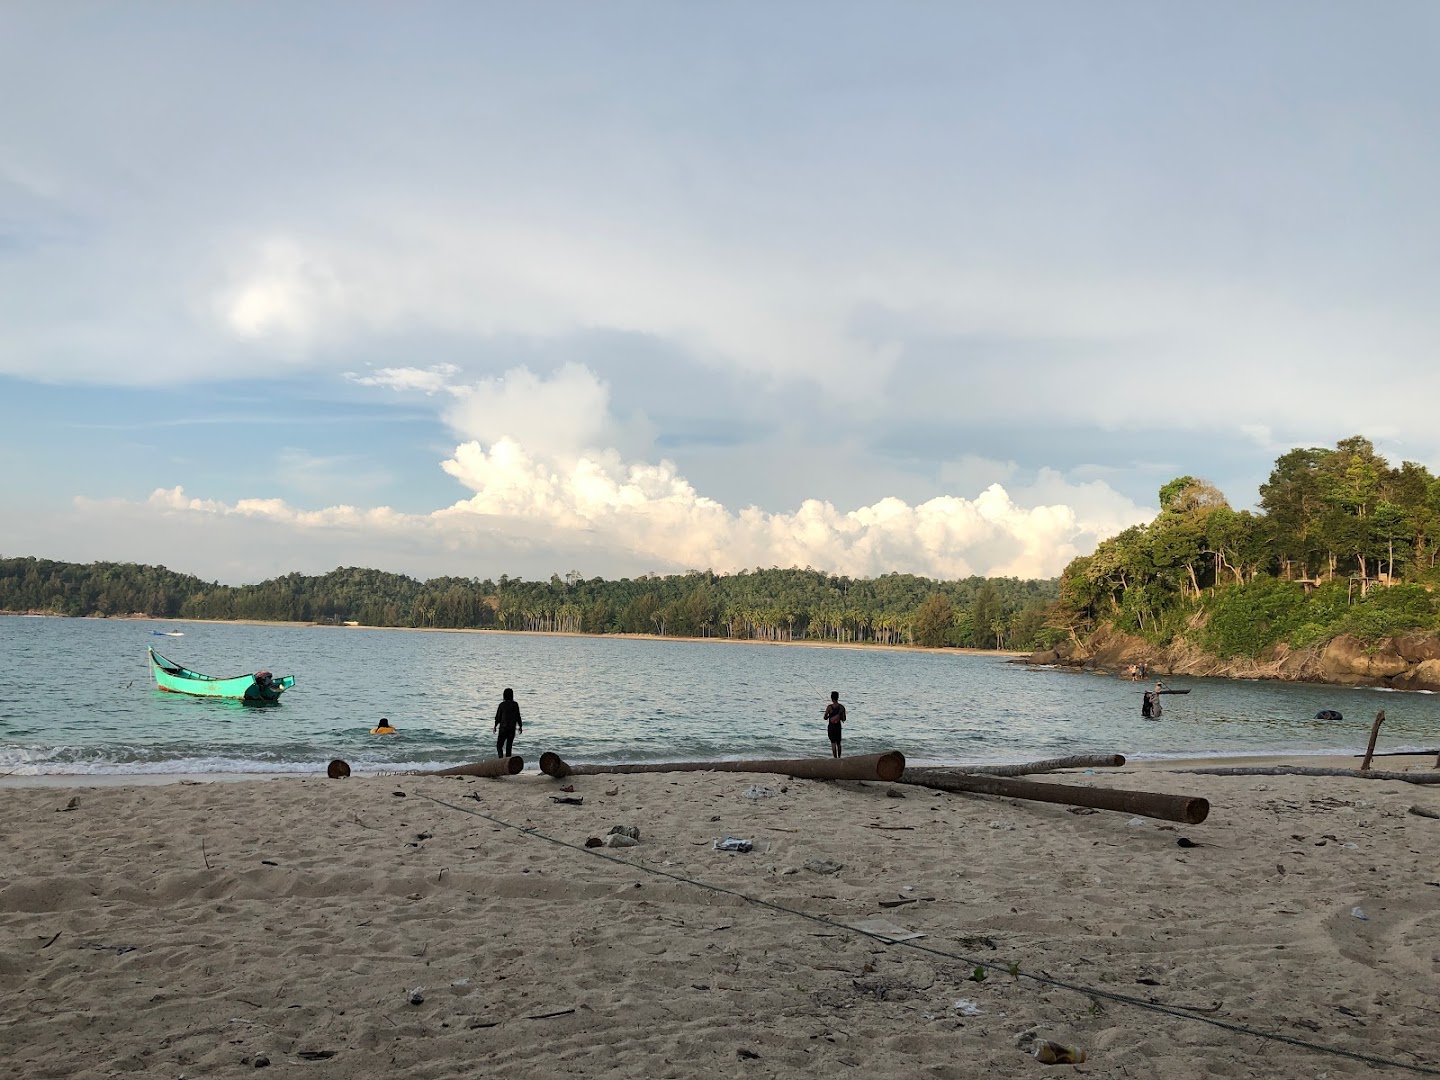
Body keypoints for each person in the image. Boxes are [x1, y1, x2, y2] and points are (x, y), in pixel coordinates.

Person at [494, 688, 523, 758]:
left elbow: (498, 717)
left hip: (503, 728)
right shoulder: (515, 704)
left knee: (499, 746)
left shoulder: (502, 705)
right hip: (511, 728)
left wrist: (495, 725)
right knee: (508, 747)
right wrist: (520, 726)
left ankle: (501, 760)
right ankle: (507, 763)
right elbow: (518, 716)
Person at [823, 691, 846, 758]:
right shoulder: (842, 707)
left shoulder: (829, 707)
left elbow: (824, 717)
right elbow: (844, 719)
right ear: (838, 697)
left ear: (831, 698)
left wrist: (828, 717)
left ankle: (835, 758)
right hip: (838, 727)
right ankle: (839, 757)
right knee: (838, 743)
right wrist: (839, 717)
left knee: (833, 743)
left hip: (831, 727)